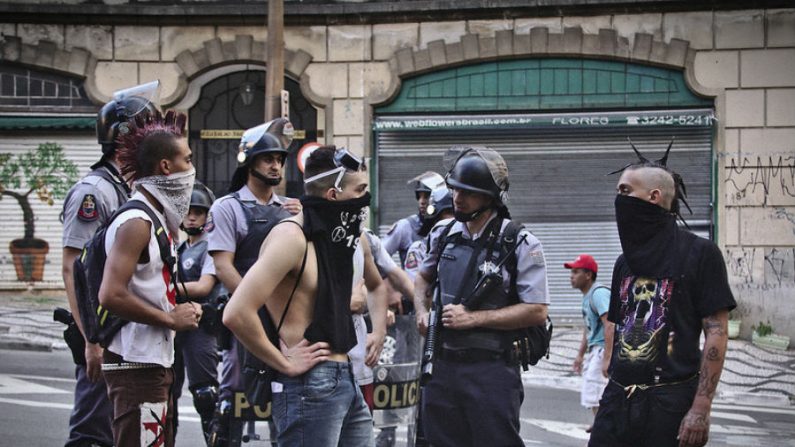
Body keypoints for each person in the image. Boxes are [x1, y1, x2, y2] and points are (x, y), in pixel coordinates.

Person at [223, 145, 384, 446]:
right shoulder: (290, 237)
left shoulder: (337, 236)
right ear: (333, 195)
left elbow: (375, 284)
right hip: (309, 384)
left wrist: (378, 326)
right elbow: (236, 312)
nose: (365, 198)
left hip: (345, 374)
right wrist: (283, 362)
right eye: (359, 190)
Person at [588, 142, 736, 447]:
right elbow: (615, 322)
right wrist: (609, 374)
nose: (619, 199)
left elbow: (716, 333)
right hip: (619, 398)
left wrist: (701, 408)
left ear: (654, 197)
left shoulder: (700, 254)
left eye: (626, 191)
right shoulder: (624, 262)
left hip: (669, 399)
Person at [413, 146, 550, 447]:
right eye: (455, 190)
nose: (457, 199)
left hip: (492, 370)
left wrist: (474, 318)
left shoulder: (520, 243)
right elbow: (422, 278)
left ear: (490, 197)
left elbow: (537, 310)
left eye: (468, 193)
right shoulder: (443, 233)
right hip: (441, 365)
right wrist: (422, 313)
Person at [60, 81, 159, 447]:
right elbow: (75, 267)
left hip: (129, 335)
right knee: (93, 432)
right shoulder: (95, 192)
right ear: (124, 140)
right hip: (103, 334)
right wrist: (92, 341)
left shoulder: (131, 190)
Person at [97, 110, 203, 447]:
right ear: (166, 167)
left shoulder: (155, 219)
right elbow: (110, 294)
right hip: (135, 366)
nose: (192, 168)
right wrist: (169, 319)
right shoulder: (137, 221)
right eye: (187, 160)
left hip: (151, 363)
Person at [205, 118, 302, 445]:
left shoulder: (288, 209)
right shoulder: (226, 208)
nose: (276, 167)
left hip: (283, 322)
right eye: (268, 159)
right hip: (242, 321)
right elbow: (223, 267)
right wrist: (253, 306)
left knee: (285, 399)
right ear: (249, 161)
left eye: (279, 160)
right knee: (232, 400)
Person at [172, 181, 222, 442]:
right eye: (187, 211)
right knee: (165, 396)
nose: (192, 216)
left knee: (206, 395)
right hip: (172, 326)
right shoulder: (179, 248)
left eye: (198, 212)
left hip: (201, 326)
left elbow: (204, 286)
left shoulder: (211, 247)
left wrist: (167, 287)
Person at [565, 254, 612, 432]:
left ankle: (603, 431)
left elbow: (611, 324)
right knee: (593, 392)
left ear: (588, 275)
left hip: (603, 349)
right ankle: (600, 427)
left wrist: (607, 358)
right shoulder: (587, 297)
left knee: (597, 391)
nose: (571, 276)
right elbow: (589, 328)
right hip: (596, 349)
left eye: (576, 272)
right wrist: (579, 355)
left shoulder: (599, 293)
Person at [383, 171, 445, 266]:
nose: (421, 201)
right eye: (419, 196)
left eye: (427, 196)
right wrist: (394, 278)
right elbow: (378, 256)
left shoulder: (446, 228)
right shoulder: (405, 227)